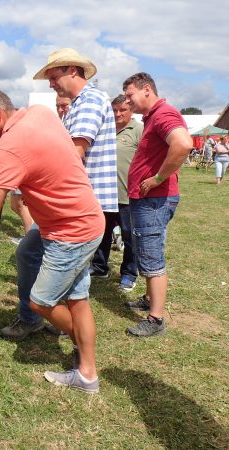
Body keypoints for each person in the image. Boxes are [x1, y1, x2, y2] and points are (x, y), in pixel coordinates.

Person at [0, 86, 104, 392]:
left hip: (70, 231)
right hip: (83, 218)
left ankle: (83, 353)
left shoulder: (8, 146)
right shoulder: (41, 114)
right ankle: (86, 372)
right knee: (75, 296)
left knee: (42, 301)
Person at [33, 48, 118, 275]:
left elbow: (73, 152)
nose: (51, 84)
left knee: (66, 267)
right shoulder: (79, 102)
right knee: (72, 269)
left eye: (53, 77)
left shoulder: (89, 100)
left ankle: (49, 302)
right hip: (82, 196)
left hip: (84, 198)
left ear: (72, 71)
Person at [122, 72, 192, 337]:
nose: (128, 102)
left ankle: (155, 319)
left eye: (130, 96)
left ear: (147, 89)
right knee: (146, 249)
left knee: (151, 255)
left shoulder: (163, 115)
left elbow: (183, 144)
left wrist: (158, 178)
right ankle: (151, 299)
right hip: (149, 199)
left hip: (154, 200)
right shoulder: (154, 117)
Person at [90, 94, 143, 291]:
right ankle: (99, 266)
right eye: (115, 110)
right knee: (101, 234)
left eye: (123, 110)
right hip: (104, 194)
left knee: (130, 237)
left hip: (127, 195)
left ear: (131, 111)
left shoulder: (139, 130)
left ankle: (129, 274)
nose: (118, 114)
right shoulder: (106, 128)